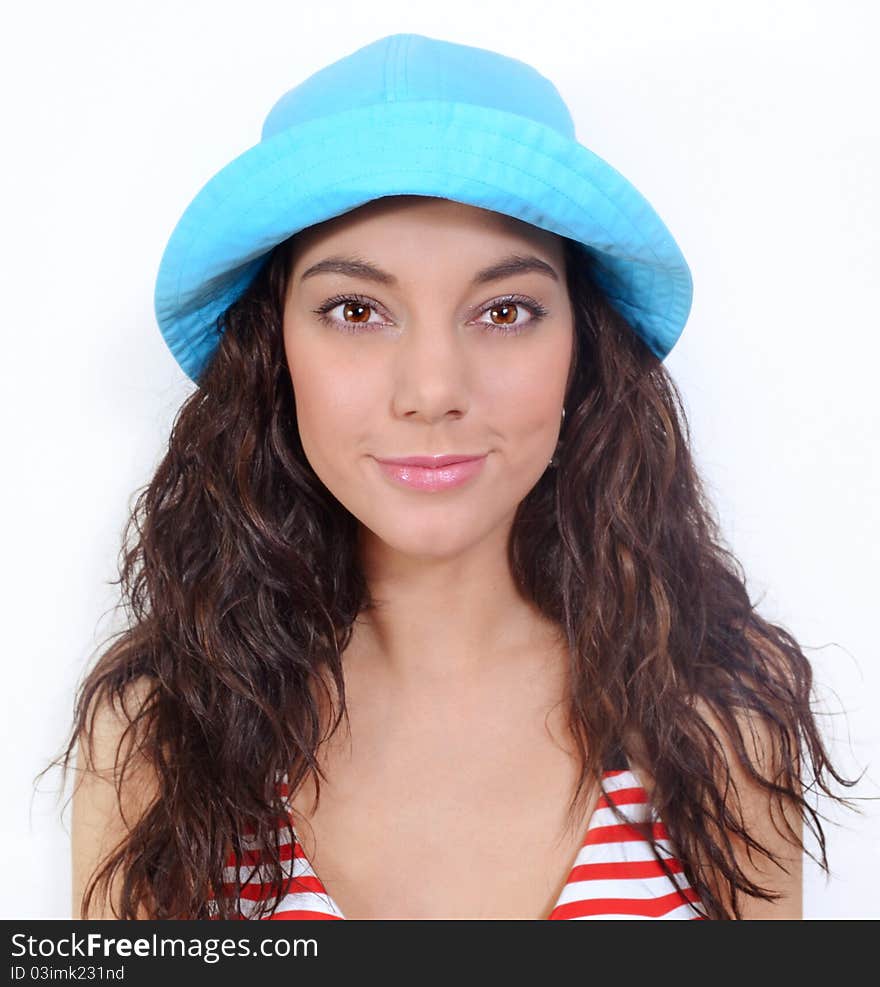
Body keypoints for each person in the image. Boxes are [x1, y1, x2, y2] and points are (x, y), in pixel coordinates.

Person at [51, 32, 856, 921]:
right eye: (356, 310)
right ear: (271, 352)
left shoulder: (718, 730)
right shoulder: (162, 737)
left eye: (505, 310)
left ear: (585, 347)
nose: (434, 390)